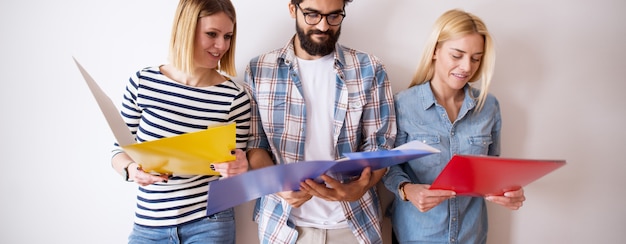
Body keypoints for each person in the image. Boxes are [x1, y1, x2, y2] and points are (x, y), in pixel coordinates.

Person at [242, 0, 396, 243]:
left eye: (334, 16)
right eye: (312, 15)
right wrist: (275, 185)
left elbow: (381, 144)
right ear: (293, 9)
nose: (324, 26)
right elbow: (255, 145)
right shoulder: (259, 69)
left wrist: (362, 186)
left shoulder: (370, 68)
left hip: (354, 225)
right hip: (284, 226)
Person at [109, 0, 251, 243]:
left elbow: (237, 169)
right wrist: (132, 170)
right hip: (149, 225)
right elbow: (118, 152)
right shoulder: (144, 83)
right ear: (186, 29)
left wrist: (240, 166)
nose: (221, 45)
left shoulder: (234, 97)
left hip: (209, 223)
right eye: (211, 34)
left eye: (227, 36)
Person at [382, 9, 526, 244]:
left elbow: (490, 169)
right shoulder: (402, 104)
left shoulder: (489, 106)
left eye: (476, 58)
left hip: (471, 235)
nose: (467, 67)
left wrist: (508, 192)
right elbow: (386, 167)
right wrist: (408, 190)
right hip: (416, 236)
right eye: (457, 55)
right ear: (436, 50)